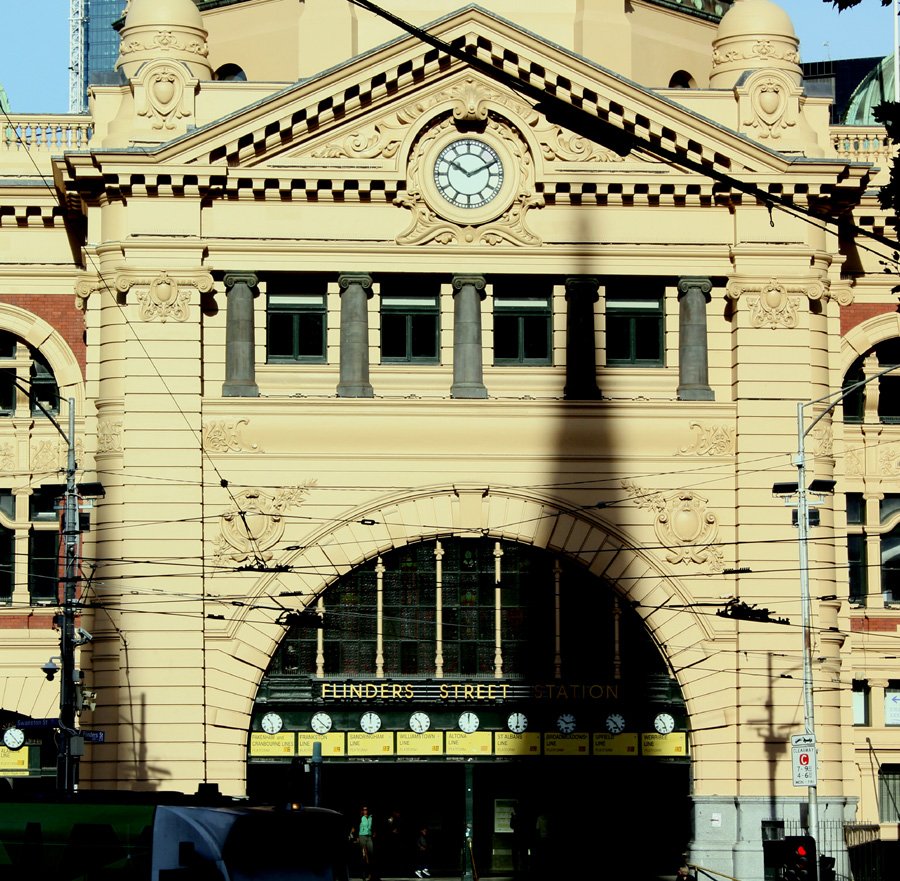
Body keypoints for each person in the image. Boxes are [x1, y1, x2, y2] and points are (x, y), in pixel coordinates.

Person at [352, 806, 377, 881]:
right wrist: (357, 837)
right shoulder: (360, 817)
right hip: (362, 836)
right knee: (363, 855)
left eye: (366, 809)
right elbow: (356, 826)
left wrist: (374, 832)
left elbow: (373, 825)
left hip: (369, 836)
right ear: (362, 810)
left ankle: (370, 874)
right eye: (363, 809)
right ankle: (363, 874)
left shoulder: (370, 817)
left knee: (371, 854)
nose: (365, 811)